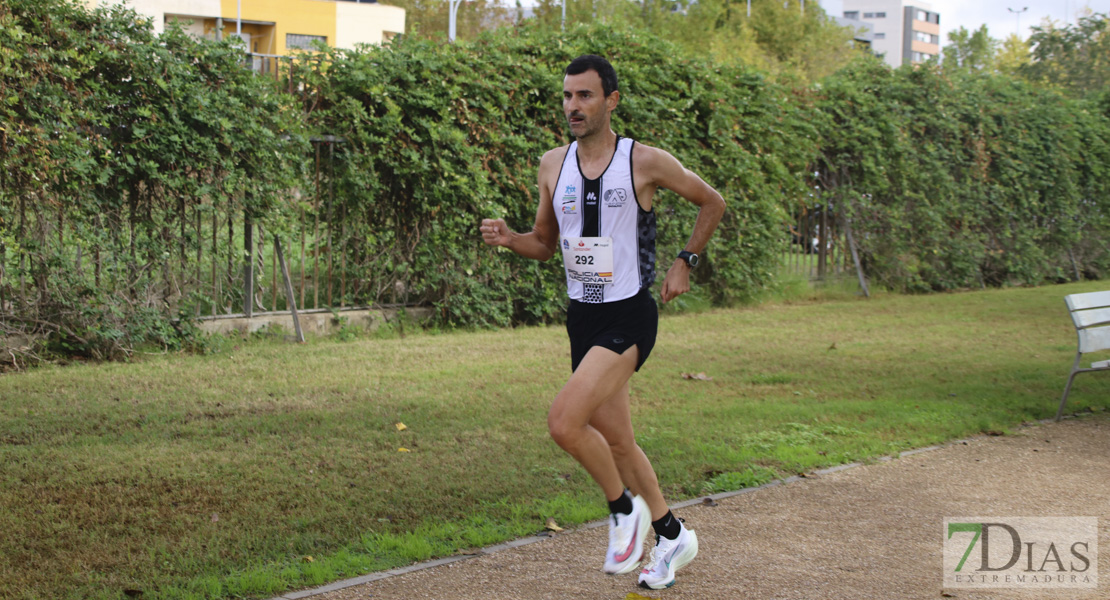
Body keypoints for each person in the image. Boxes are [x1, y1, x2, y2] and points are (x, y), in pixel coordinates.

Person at [479, 54, 725, 590]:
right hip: (583, 320)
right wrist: (509, 238)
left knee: (565, 422)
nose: (573, 106)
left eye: (585, 96)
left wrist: (687, 261)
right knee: (617, 442)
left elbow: (712, 201)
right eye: (568, 96)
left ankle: (623, 512)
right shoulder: (552, 164)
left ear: (610, 101)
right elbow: (544, 244)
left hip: (630, 315)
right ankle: (672, 533)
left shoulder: (644, 161)